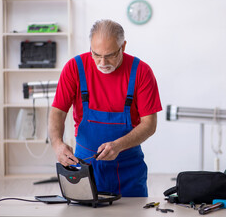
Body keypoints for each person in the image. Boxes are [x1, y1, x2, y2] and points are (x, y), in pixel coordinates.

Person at [49, 19, 162, 197]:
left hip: (129, 170)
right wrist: (57, 144)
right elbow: (58, 112)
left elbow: (149, 124)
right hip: (85, 167)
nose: (102, 62)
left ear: (123, 47)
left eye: (110, 55)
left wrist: (118, 146)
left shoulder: (141, 71)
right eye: (96, 54)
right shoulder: (74, 68)